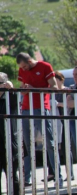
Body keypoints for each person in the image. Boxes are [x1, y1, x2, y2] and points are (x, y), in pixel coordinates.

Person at [16, 52, 62, 187]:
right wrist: (23, 90)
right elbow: (22, 86)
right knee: (27, 144)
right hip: (25, 108)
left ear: (30, 61)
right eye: (21, 67)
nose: (23, 69)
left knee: (50, 143)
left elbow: (54, 88)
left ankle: (58, 177)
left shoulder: (45, 66)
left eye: (25, 66)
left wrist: (34, 89)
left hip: (41, 108)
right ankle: (27, 178)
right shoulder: (22, 70)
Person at [0, 72, 23, 195]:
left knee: (12, 172)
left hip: (9, 141)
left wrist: (11, 89)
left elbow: (15, 100)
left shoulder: (9, 98)